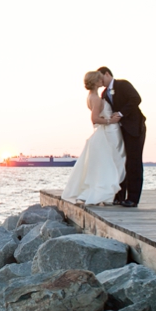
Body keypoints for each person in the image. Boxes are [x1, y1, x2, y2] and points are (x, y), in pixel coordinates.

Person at [62, 71, 126, 205]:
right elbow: (95, 119)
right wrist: (110, 121)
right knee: (116, 161)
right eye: (99, 79)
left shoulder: (91, 96)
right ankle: (104, 192)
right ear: (96, 82)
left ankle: (105, 193)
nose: (102, 81)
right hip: (109, 131)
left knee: (106, 163)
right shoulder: (96, 98)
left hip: (105, 130)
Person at [98, 66, 146, 207]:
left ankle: (133, 198)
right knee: (119, 161)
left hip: (134, 128)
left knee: (134, 161)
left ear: (107, 74)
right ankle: (119, 196)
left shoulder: (123, 84)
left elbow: (136, 99)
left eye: (101, 78)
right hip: (117, 131)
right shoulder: (104, 94)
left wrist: (120, 113)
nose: (100, 82)